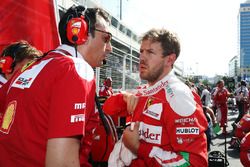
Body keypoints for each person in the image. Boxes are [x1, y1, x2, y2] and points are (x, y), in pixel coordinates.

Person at [0, 5, 112, 167]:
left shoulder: (28, 68)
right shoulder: (76, 68)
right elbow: (62, 163)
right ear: (80, 33)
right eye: (106, 38)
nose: (110, 48)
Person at [104, 28, 208, 166]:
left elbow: (194, 163)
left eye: (150, 52)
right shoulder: (145, 91)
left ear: (170, 59)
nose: (141, 58)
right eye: (141, 51)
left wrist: (138, 147)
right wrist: (123, 98)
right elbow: (106, 111)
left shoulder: (178, 96)